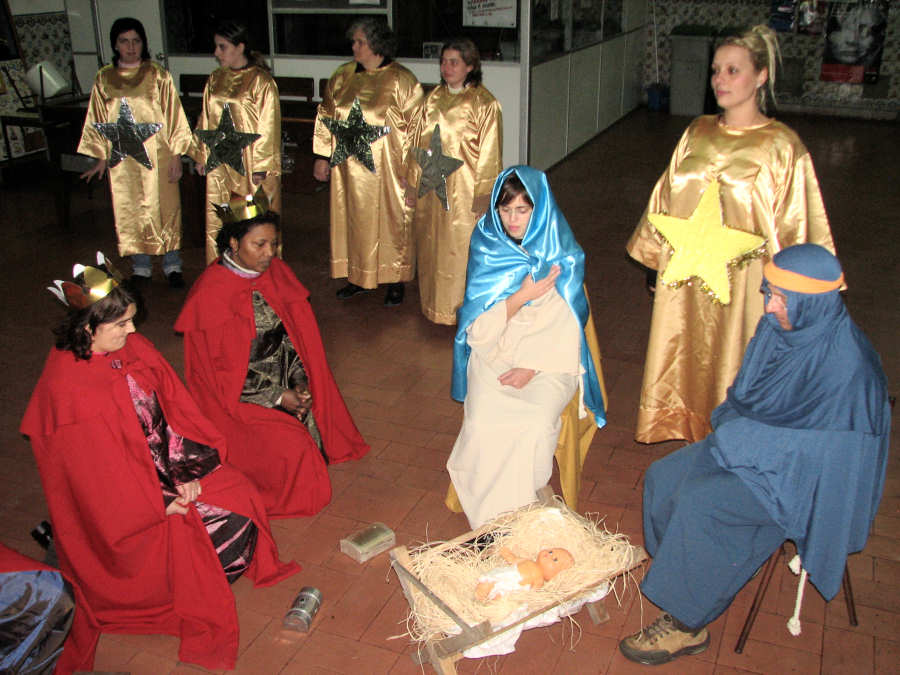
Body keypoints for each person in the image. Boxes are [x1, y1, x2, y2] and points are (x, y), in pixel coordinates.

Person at [21, 255, 299, 671]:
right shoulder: (69, 389)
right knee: (201, 527)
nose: (132, 331)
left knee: (240, 495)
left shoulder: (129, 347)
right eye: (121, 324)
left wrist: (185, 469)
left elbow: (170, 413)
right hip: (126, 507)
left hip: (165, 466)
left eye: (131, 320)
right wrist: (161, 499)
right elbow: (95, 479)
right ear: (88, 328)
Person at [619, 244, 890, 666]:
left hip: (801, 480)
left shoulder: (851, 370)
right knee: (664, 477)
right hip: (753, 445)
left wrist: (746, 443)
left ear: (813, 303)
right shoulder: (780, 329)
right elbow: (747, 395)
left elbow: (834, 462)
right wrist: (740, 436)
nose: (769, 307)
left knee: (702, 504)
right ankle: (696, 570)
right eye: (770, 292)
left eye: (782, 299)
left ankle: (688, 624)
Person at [626, 25, 836, 444]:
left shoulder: (782, 146)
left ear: (761, 76)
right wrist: (654, 263)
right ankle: (687, 429)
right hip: (684, 277)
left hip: (746, 286)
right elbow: (666, 198)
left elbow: (799, 224)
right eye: (716, 70)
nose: (719, 79)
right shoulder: (697, 131)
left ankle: (733, 440)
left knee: (734, 359)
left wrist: (795, 293)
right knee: (685, 350)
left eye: (733, 70)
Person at [175, 190, 370, 518]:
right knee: (293, 453)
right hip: (240, 398)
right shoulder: (211, 293)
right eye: (259, 245)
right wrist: (278, 397)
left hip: (284, 378)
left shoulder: (276, 273)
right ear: (233, 244)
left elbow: (293, 342)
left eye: (273, 244)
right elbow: (221, 376)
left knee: (311, 426)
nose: (269, 253)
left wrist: (300, 382)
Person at [448, 166, 607, 529]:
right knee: (483, 421)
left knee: (533, 423)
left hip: (550, 360)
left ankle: (521, 506)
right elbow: (477, 330)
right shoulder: (488, 247)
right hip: (494, 354)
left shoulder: (562, 254)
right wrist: (521, 296)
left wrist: (533, 366)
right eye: (505, 210)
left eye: (522, 210)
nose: (513, 219)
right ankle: (495, 520)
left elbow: (568, 324)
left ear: (540, 209)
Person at [313, 18, 423, 306]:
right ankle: (357, 275)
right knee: (353, 219)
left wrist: (412, 171)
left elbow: (417, 130)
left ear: (377, 44)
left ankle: (395, 278)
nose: (354, 47)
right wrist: (322, 155)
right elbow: (326, 115)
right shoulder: (342, 76)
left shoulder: (402, 80)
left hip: (388, 168)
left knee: (392, 221)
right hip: (348, 168)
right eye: (353, 41)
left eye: (360, 42)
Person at [78, 17, 192, 288]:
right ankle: (141, 267)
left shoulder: (157, 75)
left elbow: (174, 116)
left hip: (159, 156)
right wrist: (101, 157)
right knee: (131, 210)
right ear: (115, 45)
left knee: (166, 208)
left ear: (143, 43)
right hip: (124, 161)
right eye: (124, 41)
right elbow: (97, 118)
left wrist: (176, 156)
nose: (130, 47)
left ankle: (172, 264)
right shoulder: (104, 78)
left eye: (136, 41)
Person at [405, 38, 503, 324]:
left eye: (454, 62)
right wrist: (412, 182)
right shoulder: (432, 99)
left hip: (463, 191)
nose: (446, 67)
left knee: (459, 249)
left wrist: (484, 197)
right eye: (443, 62)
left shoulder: (485, 103)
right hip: (431, 188)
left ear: (470, 66)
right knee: (431, 245)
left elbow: (491, 154)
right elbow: (416, 143)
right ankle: (434, 305)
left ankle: (462, 310)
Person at [193, 20, 281, 264]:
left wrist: (262, 166)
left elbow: (269, 124)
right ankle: (223, 268)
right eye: (216, 47)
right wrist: (202, 154)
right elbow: (205, 118)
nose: (216, 53)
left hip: (250, 166)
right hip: (220, 164)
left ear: (240, 47)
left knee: (251, 219)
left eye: (222, 47)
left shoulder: (261, 82)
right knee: (222, 215)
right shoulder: (215, 79)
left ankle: (257, 268)